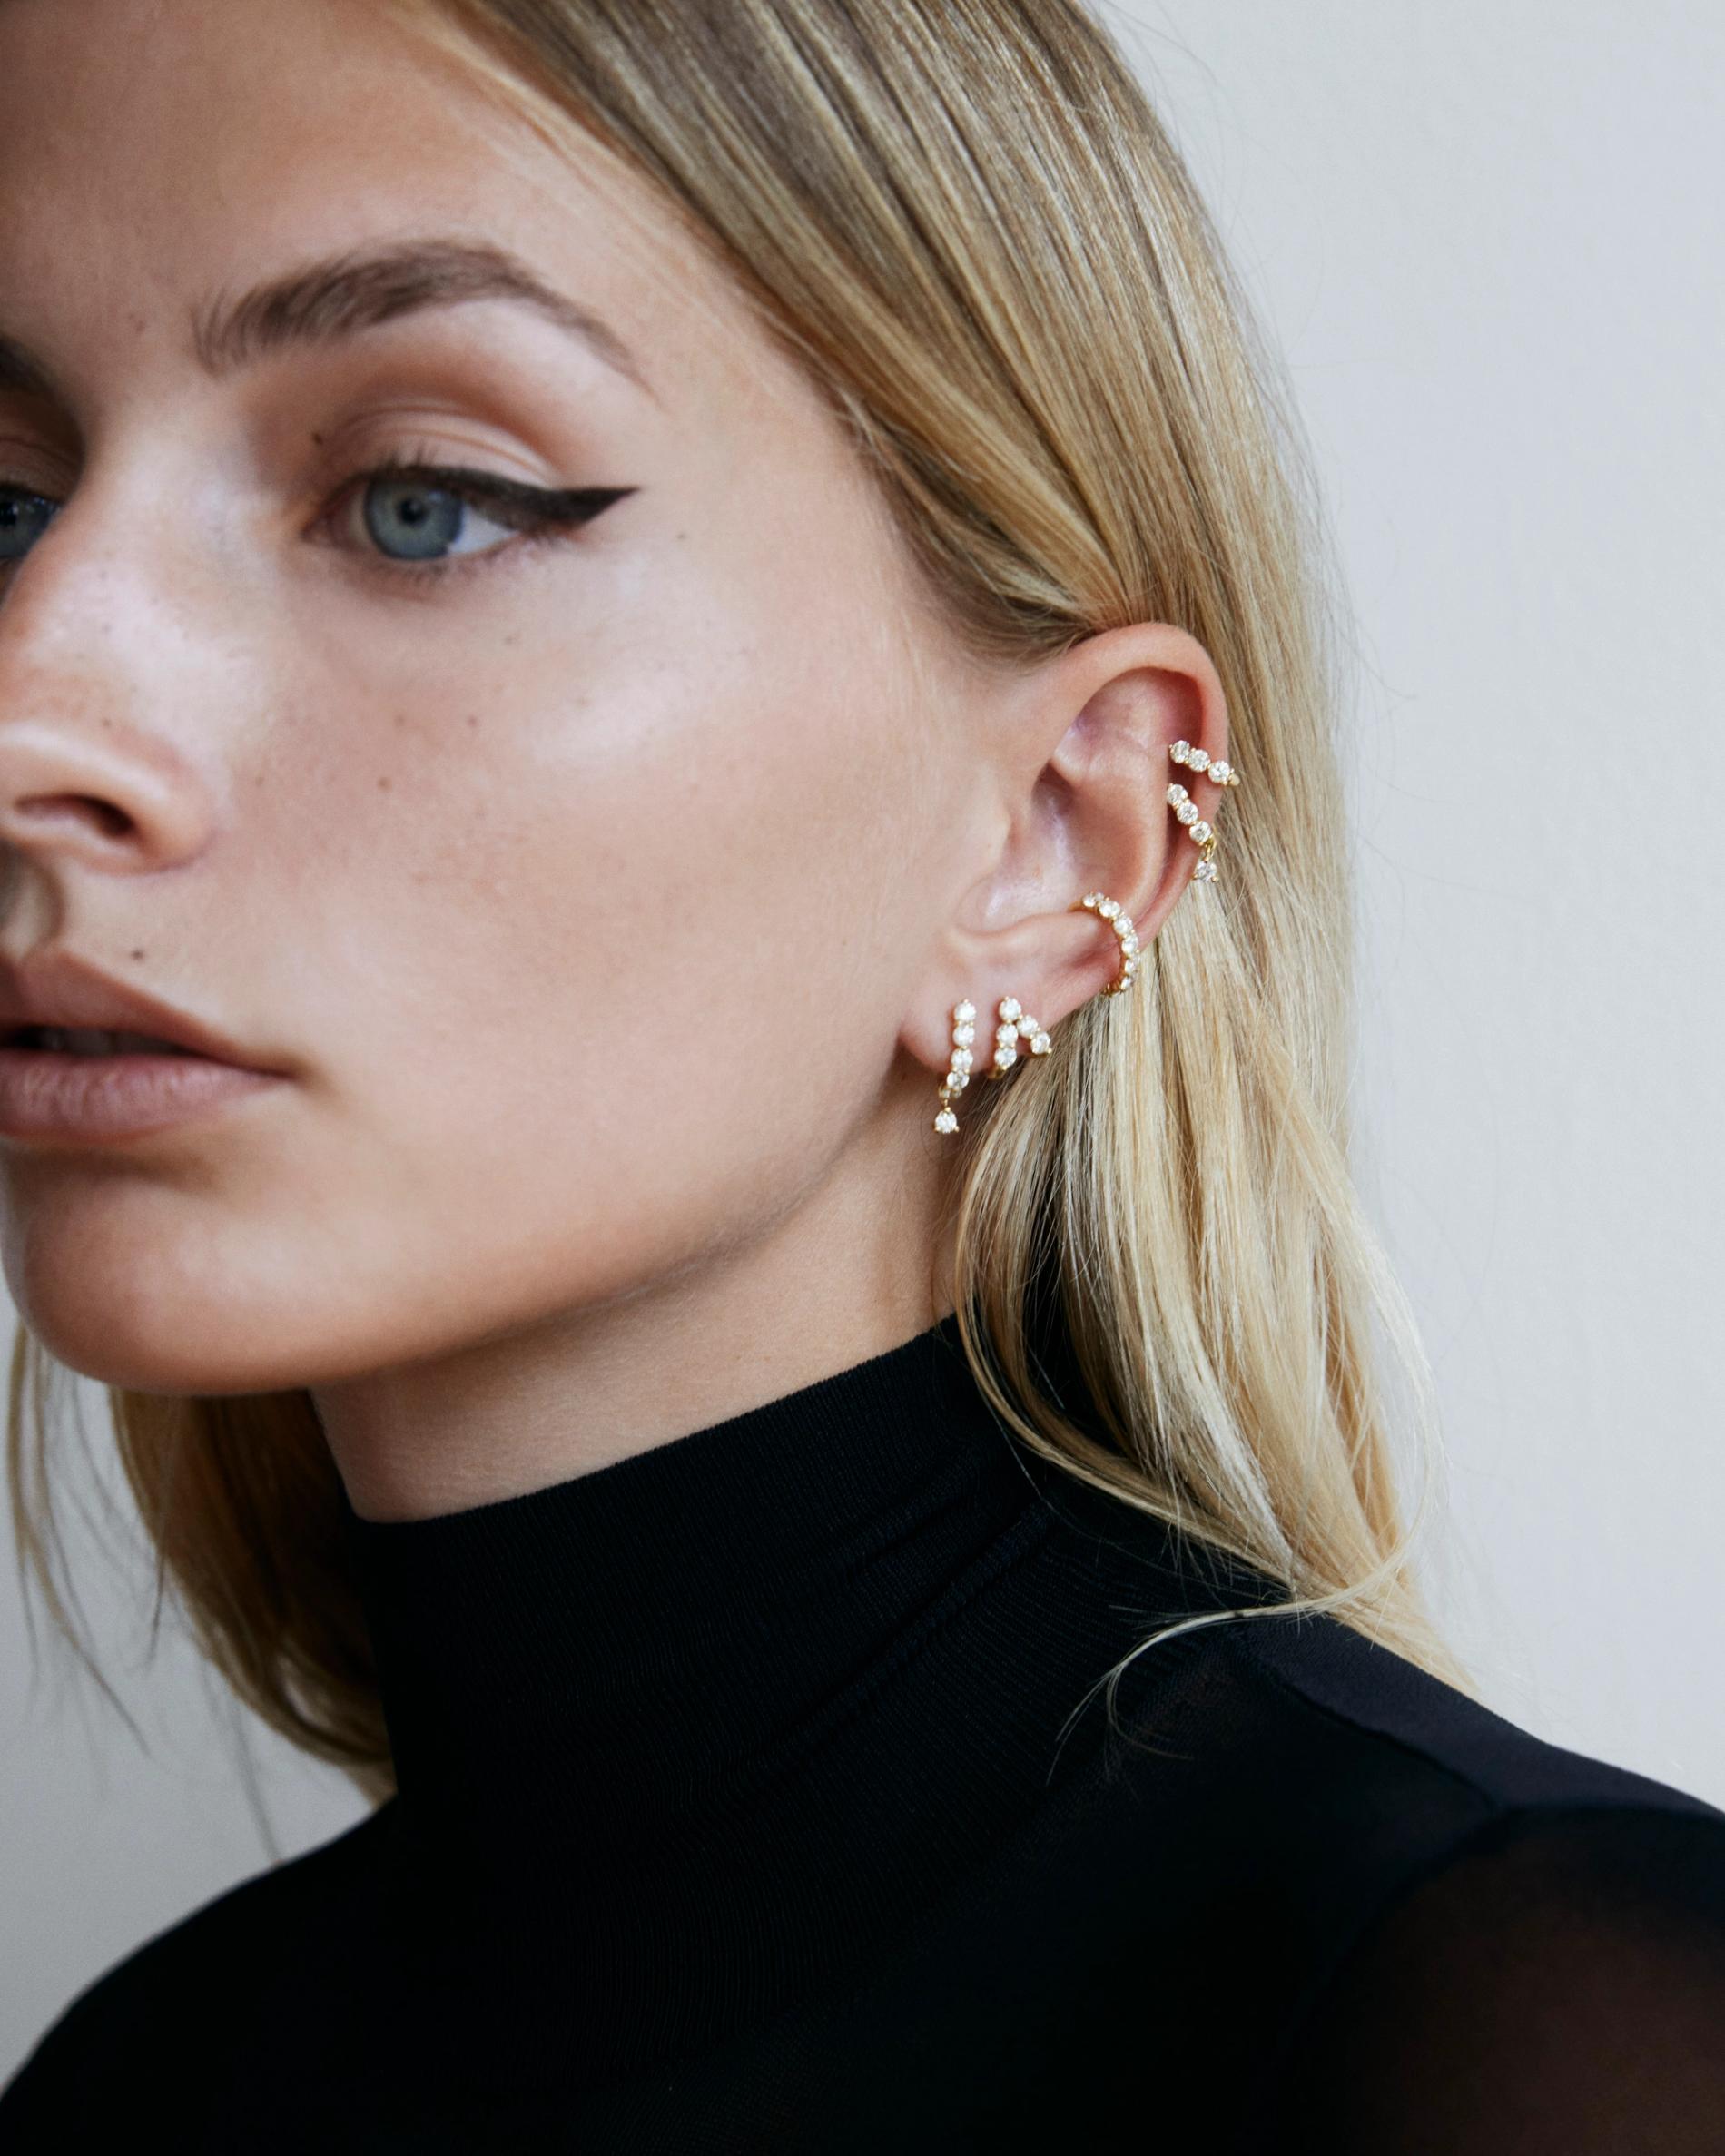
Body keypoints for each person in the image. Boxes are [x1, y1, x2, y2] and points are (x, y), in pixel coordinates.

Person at [1, 0, 1721, 2148]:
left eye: (422, 504)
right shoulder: (125, 2095)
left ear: (1053, 842)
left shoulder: (1533, 2043)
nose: (30, 715)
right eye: (7, 511)